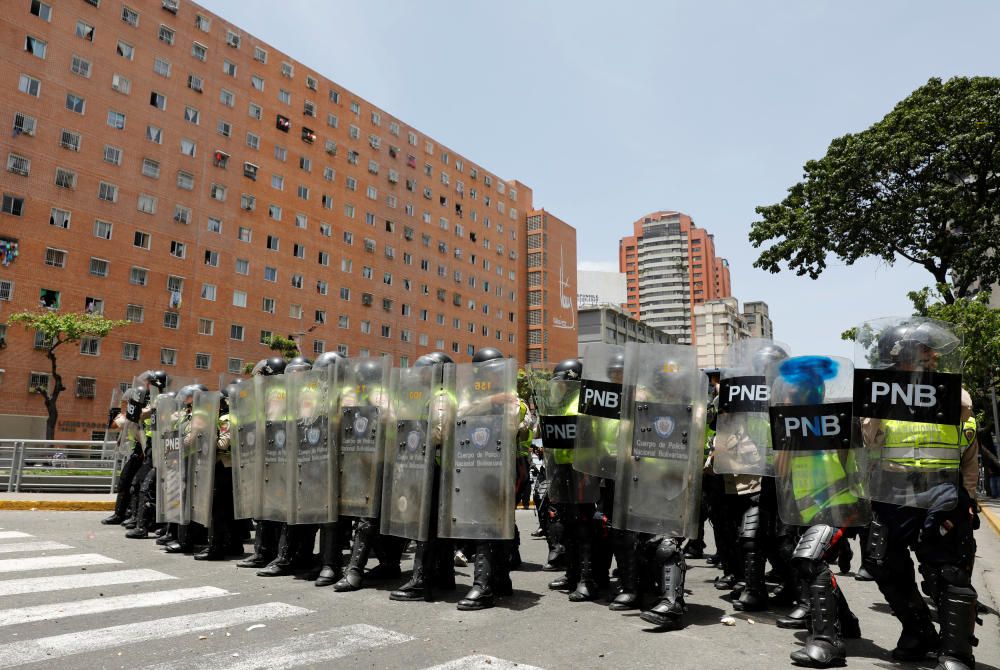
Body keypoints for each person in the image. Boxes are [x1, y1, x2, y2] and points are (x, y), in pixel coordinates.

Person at [860, 318, 981, 670]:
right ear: (903, 357)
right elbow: (870, 444)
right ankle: (918, 633)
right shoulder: (881, 394)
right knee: (885, 564)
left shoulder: (956, 395)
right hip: (892, 490)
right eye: (924, 350)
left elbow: (969, 451)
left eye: (933, 350)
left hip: (941, 488)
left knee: (947, 569)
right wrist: (878, 408)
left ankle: (956, 652)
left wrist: (969, 497)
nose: (932, 356)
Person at [389, 351, 458, 602]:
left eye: (423, 371)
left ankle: (421, 580)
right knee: (438, 527)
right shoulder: (436, 396)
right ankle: (445, 575)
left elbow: (438, 434)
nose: (417, 376)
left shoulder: (440, 398)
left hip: (435, 468)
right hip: (436, 467)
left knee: (426, 527)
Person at [235, 357, 287, 570]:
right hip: (265, 457)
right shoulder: (265, 397)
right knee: (263, 508)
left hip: (280, 458)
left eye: (260, 376)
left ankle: (275, 553)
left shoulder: (281, 395)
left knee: (277, 510)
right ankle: (263, 552)